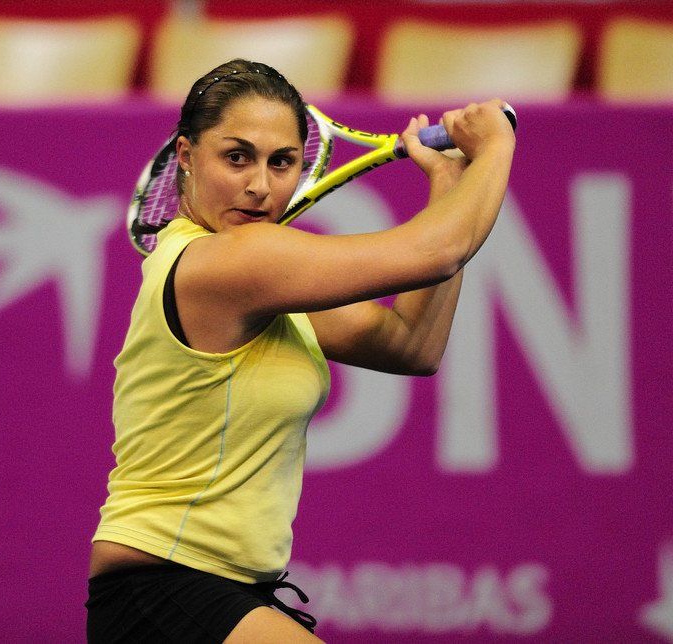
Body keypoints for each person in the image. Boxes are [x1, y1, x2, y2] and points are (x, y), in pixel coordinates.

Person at [86, 58, 515, 643]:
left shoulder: (261, 281)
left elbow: (411, 345)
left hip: (215, 590)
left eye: (281, 162)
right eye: (237, 157)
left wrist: (447, 182)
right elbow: (436, 251)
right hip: (164, 588)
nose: (260, 186)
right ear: (185, 156)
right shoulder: (226, 262)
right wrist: (496, 146)